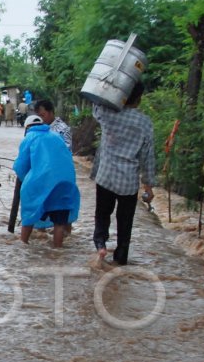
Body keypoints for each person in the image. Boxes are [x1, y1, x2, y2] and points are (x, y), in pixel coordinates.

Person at [91, 81, 155, 266]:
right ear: (140, 99)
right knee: (125, 223)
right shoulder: (144, 122)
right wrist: (148, 186)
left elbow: (96, 103)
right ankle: (120, 259)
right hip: (128, 181)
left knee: (102, 215)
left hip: (106, 176)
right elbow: (147, 156)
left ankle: (101, 245)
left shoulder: (107, 113)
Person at [14, 115, 80, 248]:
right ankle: (57, 252)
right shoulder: (56, 136)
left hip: (41, 182)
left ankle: (23, 246)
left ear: (27, 128)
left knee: (29, 214)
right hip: (65, 183)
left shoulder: (29, 138)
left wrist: (26, 180)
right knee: (60, 221)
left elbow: (21, 166)